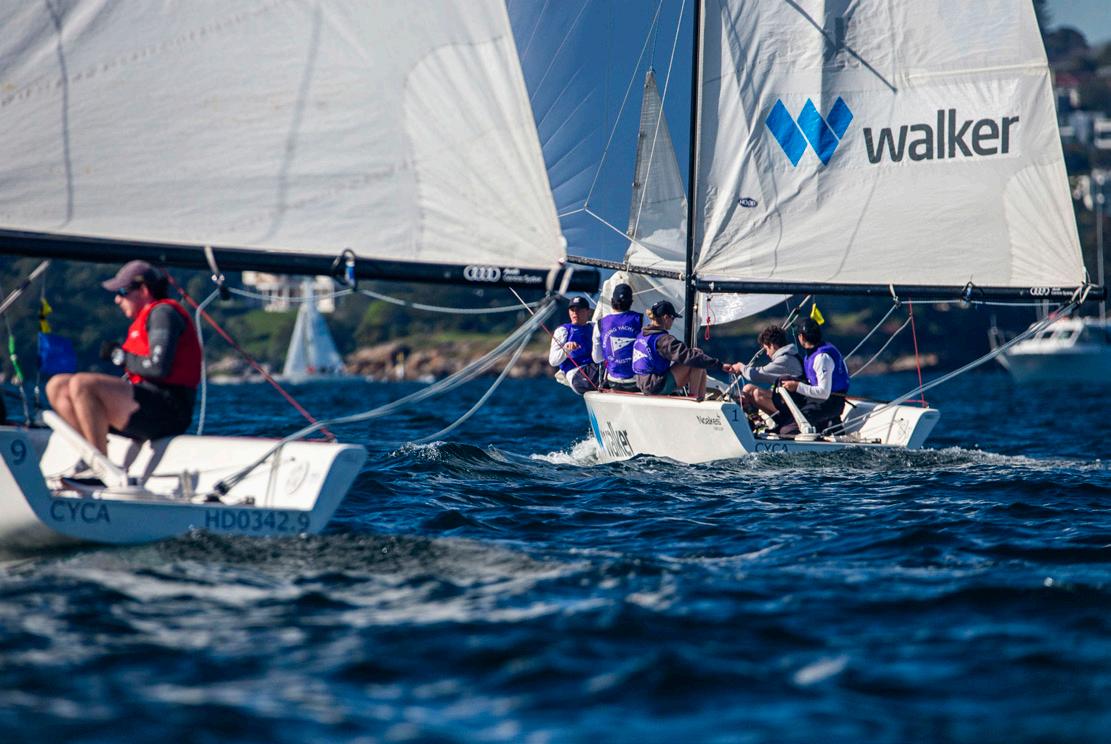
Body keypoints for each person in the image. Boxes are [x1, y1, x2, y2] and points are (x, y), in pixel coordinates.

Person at [46, 261, 202, 455]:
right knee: (57, 385)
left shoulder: (163, 314)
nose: (117, 300)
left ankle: (98, 460)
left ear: (144, 290)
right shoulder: (144, 319)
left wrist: (120, 357)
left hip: (169, 410)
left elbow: (158, 367)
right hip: (146, 402)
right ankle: (89, 452)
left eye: (122, 292)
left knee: (82, 384)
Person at [632, 300, 731, 400]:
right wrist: (720, 365)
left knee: (699, 361)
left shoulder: (642, 334)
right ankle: (694, 398)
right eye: (673, 318)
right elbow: (690, 356)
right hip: (655, 386)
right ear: (666, 318)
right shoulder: (663, 340)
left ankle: (701, 397)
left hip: (642, 383)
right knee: (696, 357)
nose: (673, 321)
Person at [779, 317, 851, 432]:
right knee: (783, 380)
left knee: (786, 431)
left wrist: (797, 387)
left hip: (831, 403)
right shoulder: (815, 353)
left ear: (801, 337)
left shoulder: (821, 358)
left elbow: (823, 392)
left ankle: (827, 423)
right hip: (820, 400)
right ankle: (827, 422)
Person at [724, 324, 804, 416]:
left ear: (772, 346)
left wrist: (740, 367)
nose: (767, 353)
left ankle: (782, 420)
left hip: (796, 407)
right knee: (748, 389)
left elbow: (754, 375)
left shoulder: (785, 360)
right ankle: (752, 414)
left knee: (757, 394)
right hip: (788, 400)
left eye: (766, 349)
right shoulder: (789, 355)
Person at [592, 283, 642, 392]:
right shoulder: (640, 319)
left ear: (611, 301)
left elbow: (597, 358)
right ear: (631, 302)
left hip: (613, 382)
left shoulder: (600, 324)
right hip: (637, 382)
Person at [548, 296, 599, 395]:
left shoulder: (594, 327)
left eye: (579, 310)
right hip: (576, 374)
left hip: (595, 370)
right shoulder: (563, 331)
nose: (575, 313)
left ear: (588, 312)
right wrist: (566, 349)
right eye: (572, 310)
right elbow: (553, 361)